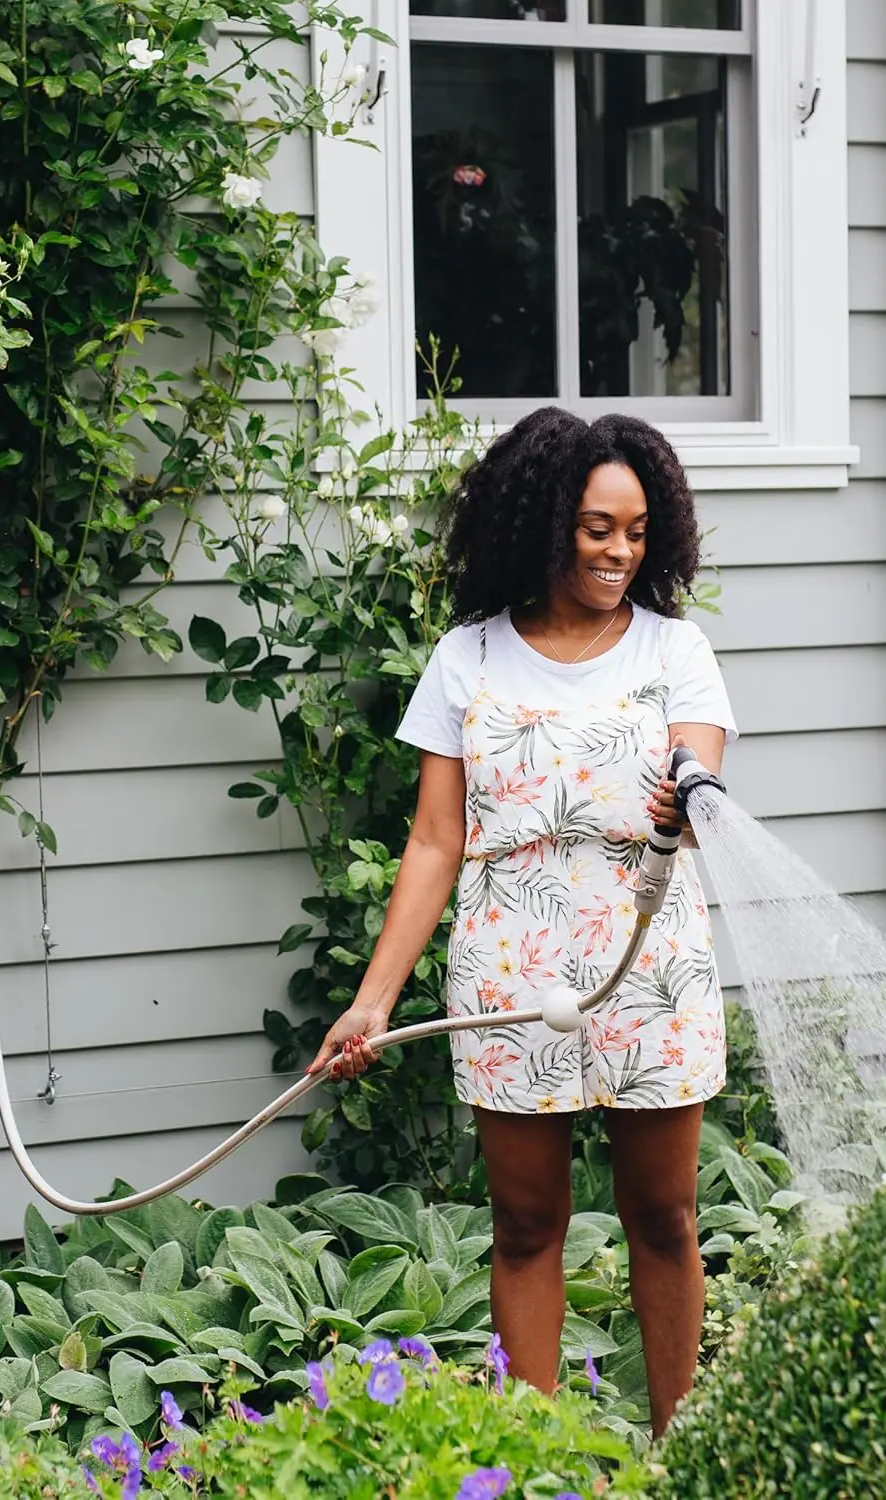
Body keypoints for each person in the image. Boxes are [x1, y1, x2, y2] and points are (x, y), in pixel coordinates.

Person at [305, 406, 736, 1437]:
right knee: (526, 1224)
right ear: (545, 521)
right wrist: (370, 1004)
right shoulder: (468, 659)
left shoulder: (674, 651)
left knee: (665, 1221)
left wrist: (689, 789)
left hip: (648, 966)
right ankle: (529, 1456)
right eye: (596, 528)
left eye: (635, 531)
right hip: (507, 971)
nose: (618, 551)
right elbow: (431, 843)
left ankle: (678, 1457)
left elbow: (699, 760)